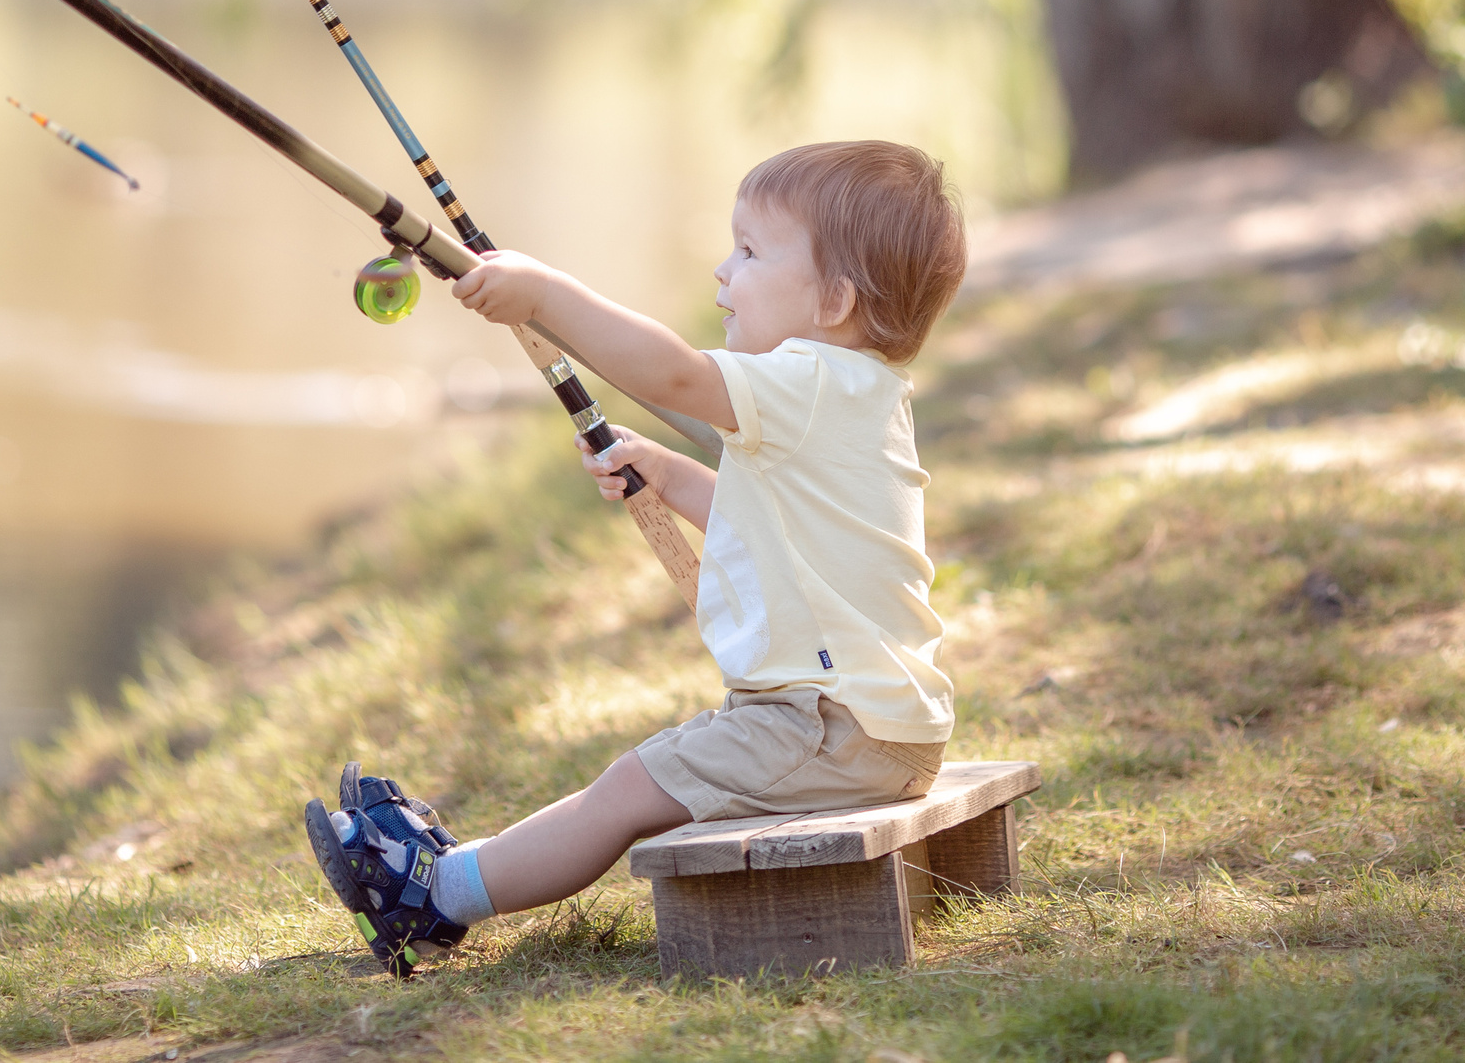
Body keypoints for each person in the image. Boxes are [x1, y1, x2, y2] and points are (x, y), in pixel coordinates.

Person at [304, 140, 969, 975]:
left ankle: (431, 896)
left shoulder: (810, 379)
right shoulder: (850, 398)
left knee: (625, 793)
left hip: (828, 728)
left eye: (752, 252)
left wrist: (544, 295)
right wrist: (671, 472)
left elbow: (673, 376)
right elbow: (779, 528)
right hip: (869, 727)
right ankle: (452, 876)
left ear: (835, 300)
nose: (724, 273)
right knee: (635, 782)